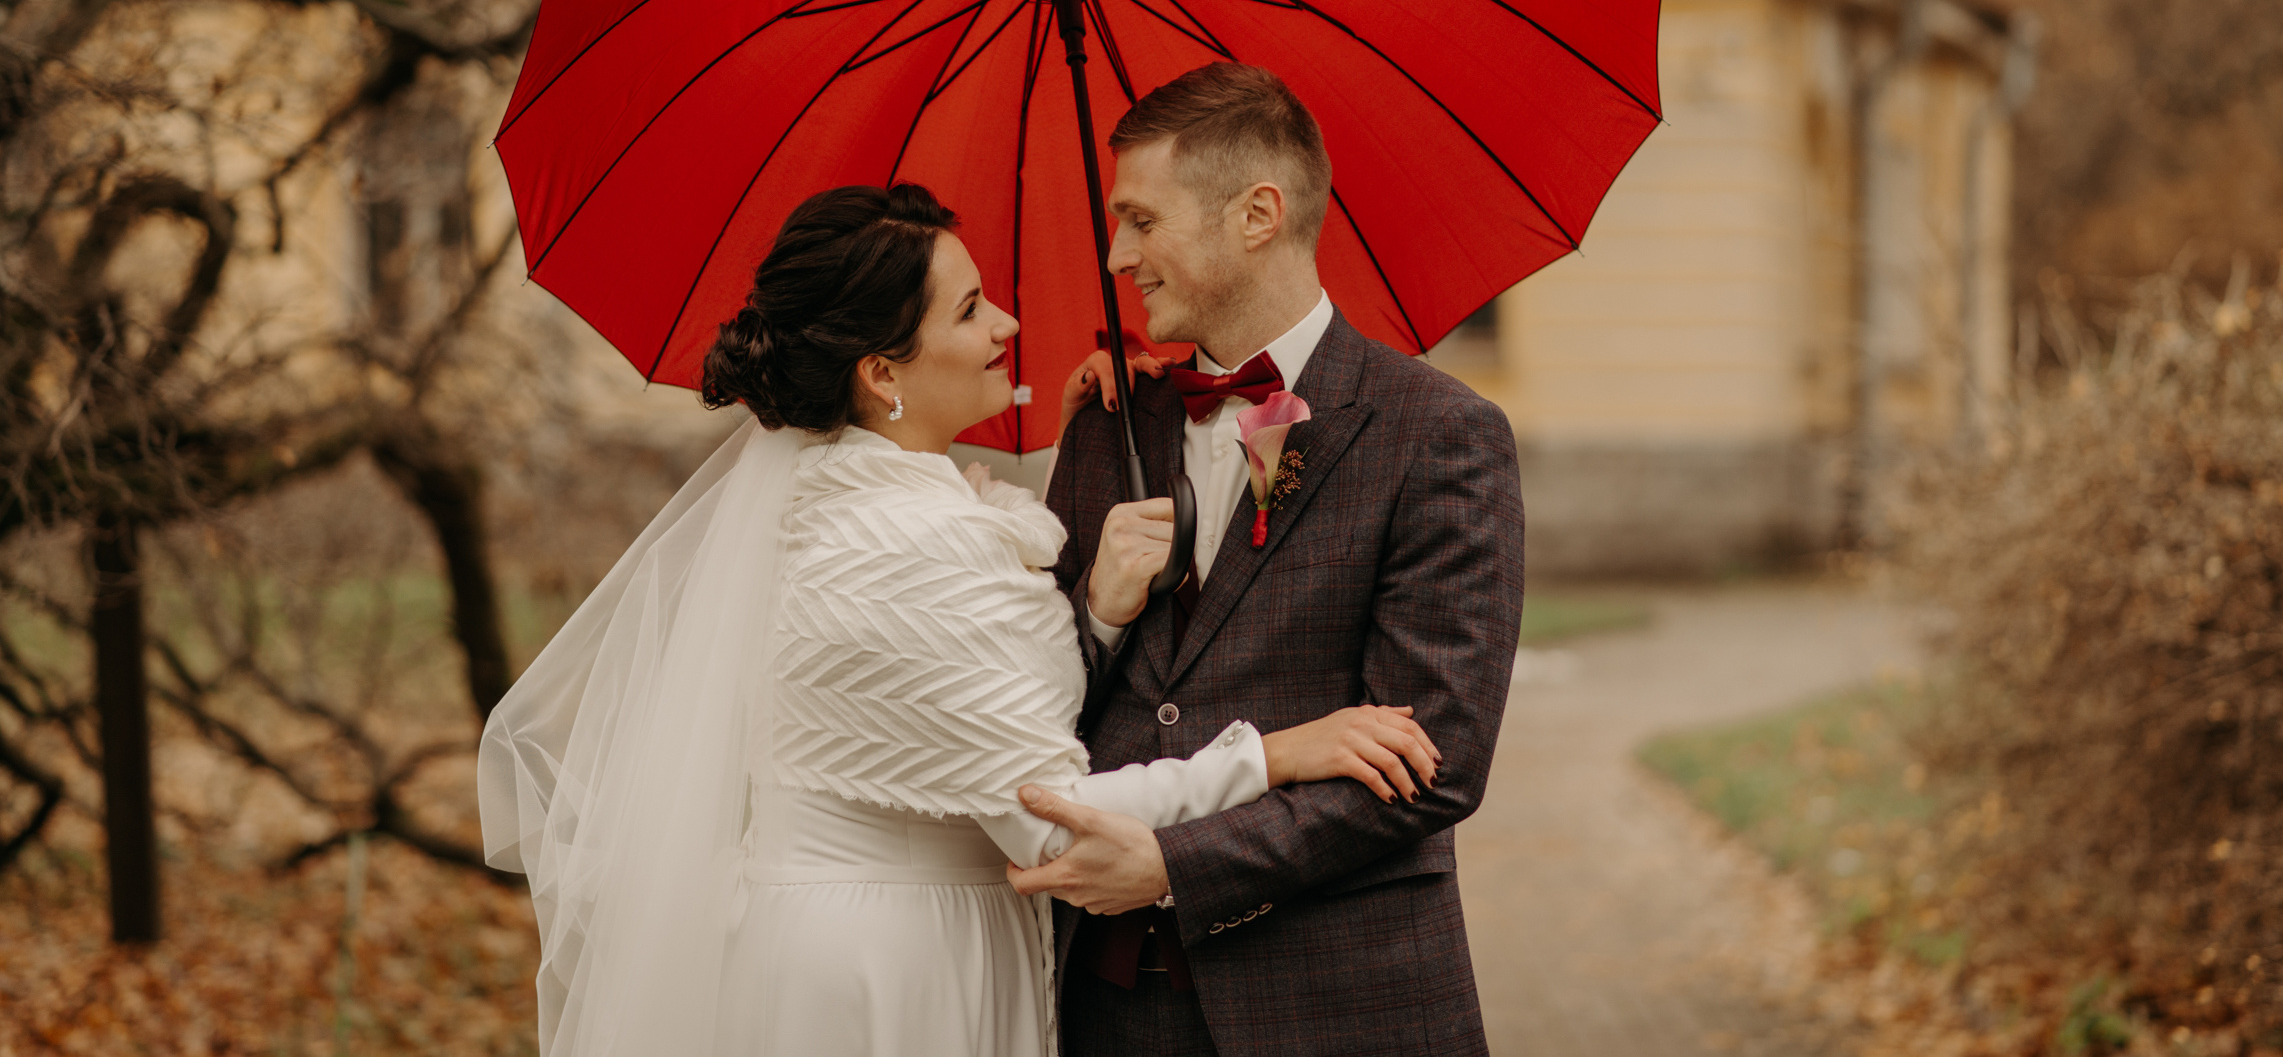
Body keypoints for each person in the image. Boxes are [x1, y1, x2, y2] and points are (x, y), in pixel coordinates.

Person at [477, 183, 1441, 1057]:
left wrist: (1099, 613)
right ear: (881, 374)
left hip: (855, 936)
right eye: (972, 309)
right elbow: (1050, 822)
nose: (1008, 324)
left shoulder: (842, 503)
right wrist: (1276, 756)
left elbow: (970, 717)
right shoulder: (908, 541)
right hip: (890, 969)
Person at [1014, 62, 1525, 1056]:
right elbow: (1034, 708)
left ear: (1257, 214)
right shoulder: (1106, 425)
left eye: (1142, 221)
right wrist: (1097, 615)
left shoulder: (1438, 433)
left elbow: (1435, 759)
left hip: (1334, 1005)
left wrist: (1177, 864)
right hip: (1104, 1010)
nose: (1118, 255)